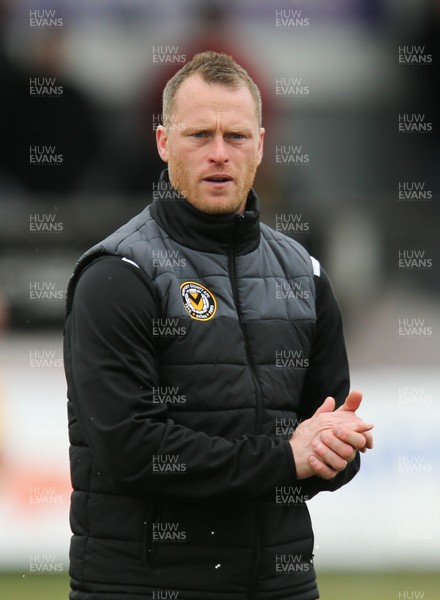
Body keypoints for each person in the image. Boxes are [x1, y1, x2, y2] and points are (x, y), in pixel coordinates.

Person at [63, 51, 373, 600]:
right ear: (162, 143)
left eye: (235, 136)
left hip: (282, 583)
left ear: (260, 144)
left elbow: (317, 438)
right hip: (142, 586)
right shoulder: (117, 275)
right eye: (199, 135)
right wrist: (285, 459)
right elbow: (133, 450)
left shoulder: (304, 274)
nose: (219, 154)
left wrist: (334, 449)